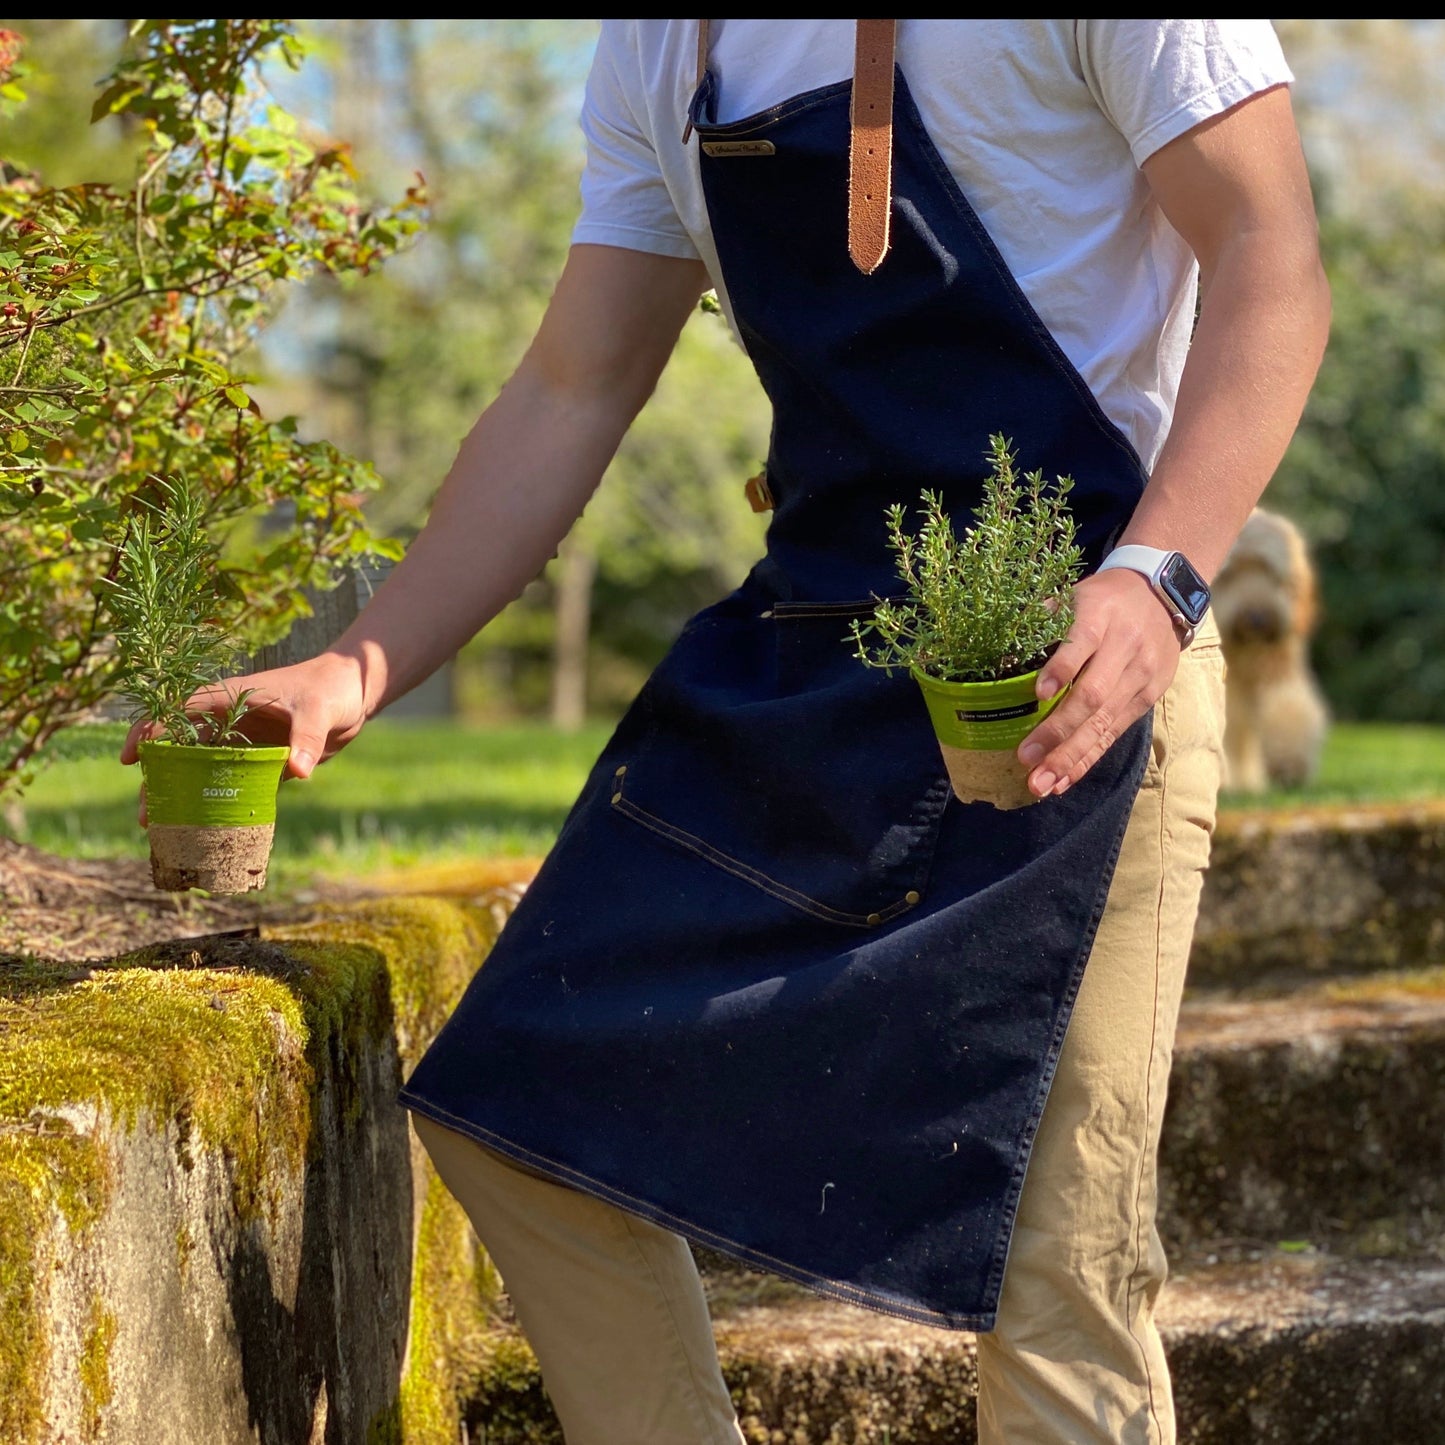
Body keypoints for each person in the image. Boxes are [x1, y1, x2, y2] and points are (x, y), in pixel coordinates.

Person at [122, 19, 1330, 1444]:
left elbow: (1272, 262)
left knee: (1050, 1257)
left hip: (1076, 662)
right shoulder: (661, 45)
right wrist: (361, 662)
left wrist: (1156, 573)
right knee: (520, 1104)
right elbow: (574, 384)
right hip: (811, 636)